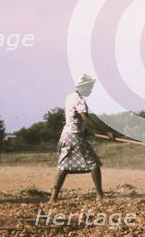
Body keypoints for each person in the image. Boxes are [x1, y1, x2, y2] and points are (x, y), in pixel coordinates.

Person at [49, 74, 114, 203]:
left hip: (66, 134)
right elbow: (86, 119)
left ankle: (52, 198)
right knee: (94, 163)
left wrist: (82, 129)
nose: (91, 90)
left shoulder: (69, 97)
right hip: (74, 136)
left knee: (63, 166)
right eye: (90, 87)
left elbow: (67, 115)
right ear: (83, 87)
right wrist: (106, 132)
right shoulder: (80, 100)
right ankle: (100, 196)